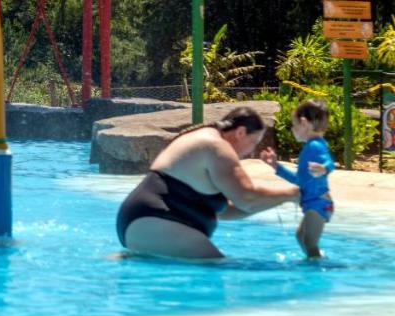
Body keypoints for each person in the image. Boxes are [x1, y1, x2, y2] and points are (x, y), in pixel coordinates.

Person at [116, 106, 299, 259]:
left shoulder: (208, 138)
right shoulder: (216, 146)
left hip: (142, 222)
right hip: (154, 220)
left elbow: (226, 210)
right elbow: (247, 198)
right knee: (222, 269)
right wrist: (294, 193)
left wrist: (282, 199)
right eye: (253, 142)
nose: (251, 151)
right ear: (240, 132)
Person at [262, 99, 336, 258]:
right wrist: (276, 167)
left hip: (319, 203)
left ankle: (316, 270)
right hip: (312, 203)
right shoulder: (310, 147)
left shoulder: (316, 146)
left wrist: (325, 169)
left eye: (294, 125)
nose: (293, 129)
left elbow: (330, 162)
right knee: (300, 237)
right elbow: (299, 180)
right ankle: (315, 261)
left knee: (309, 242)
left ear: (304, 123)